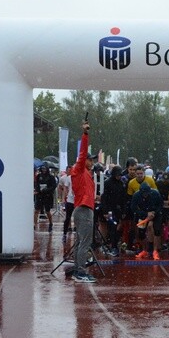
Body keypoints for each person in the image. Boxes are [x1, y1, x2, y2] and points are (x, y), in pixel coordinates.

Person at [68, 121, 97, 282]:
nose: (92, 162)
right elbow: (82, 152)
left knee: (81, 241)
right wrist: (85, 135)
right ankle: (80, 271)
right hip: (84, 209)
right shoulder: (78, 169)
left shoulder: (85, 173)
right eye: (90, 160)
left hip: (84, 207)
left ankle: (78, 269)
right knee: (85, 241)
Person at [34, 165, 57, 232]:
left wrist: (47, 190)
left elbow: (54, 186)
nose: (43, 170)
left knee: (47, 211)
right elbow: (36, 184)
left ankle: (50, 223)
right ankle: (34, 225)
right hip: (40, 195)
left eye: (45, 169)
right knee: (36, 210)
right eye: (42, 169)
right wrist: (38, 190)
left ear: (47, 169)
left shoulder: (51, 177)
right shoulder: (38, 176)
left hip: (47, 195)